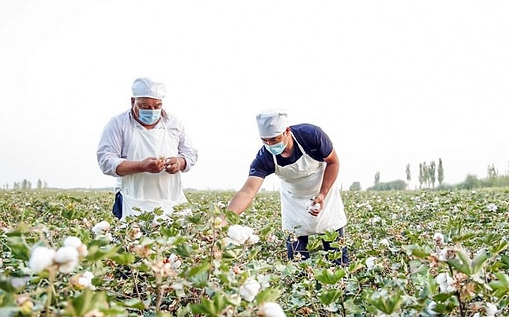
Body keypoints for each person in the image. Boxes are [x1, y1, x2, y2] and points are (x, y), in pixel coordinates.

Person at [227, 109, 349, 264]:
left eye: (274, 139)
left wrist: (322, 194)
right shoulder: (265, 157)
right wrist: (225, 220)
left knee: (337, 258)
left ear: (287, 131)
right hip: (293, 202)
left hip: (324, 194)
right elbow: (247, 191)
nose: (270, 144)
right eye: (265, 141)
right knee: (296, 265)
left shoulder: (311, 136)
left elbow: (333, 162)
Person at [97, 77, 198, 219]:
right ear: (133, 101)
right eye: (145, 106)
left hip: (171, 200)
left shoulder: (174, 123)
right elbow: (106, 161)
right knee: (132, 237)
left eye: (157, 106)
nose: (152, 110)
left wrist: (180, 162)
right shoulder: (118, 124)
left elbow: (190, 153)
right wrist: (142, 166)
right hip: (131, 200)